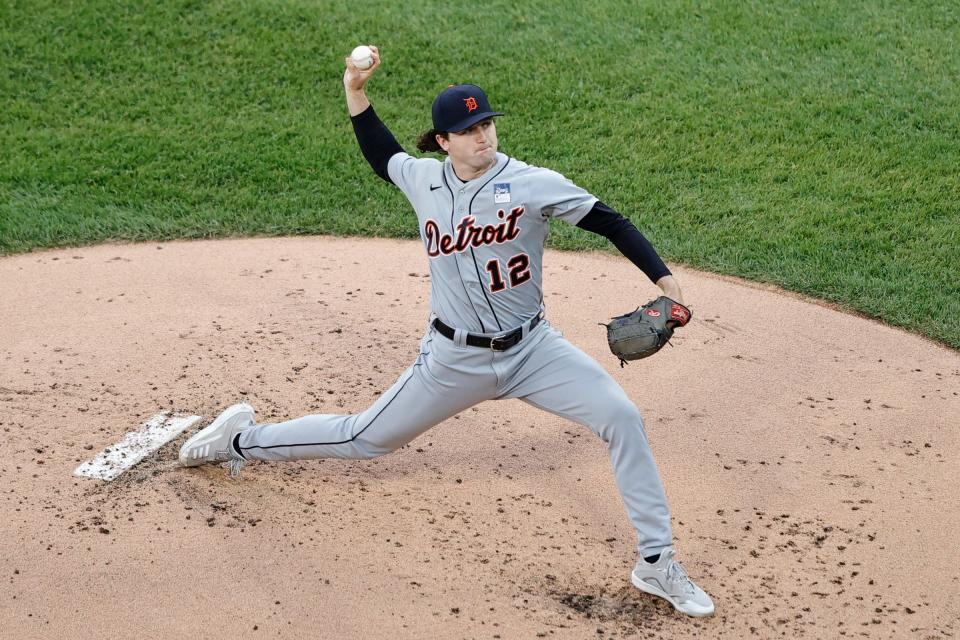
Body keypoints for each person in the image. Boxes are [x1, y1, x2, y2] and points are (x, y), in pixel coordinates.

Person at [179, 45, 715, 617]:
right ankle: (241, 438)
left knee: (621, 417)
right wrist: (355, 89)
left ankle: (656, 564)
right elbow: (379, 153)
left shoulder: (533, 183)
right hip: (452, 360)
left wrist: (667, 281)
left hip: (534, 350)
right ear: (442, 141)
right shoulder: (422, 180)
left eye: (486, 124)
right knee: (365, 438)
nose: (483, 137)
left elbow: (611, 221)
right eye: (468, 130)